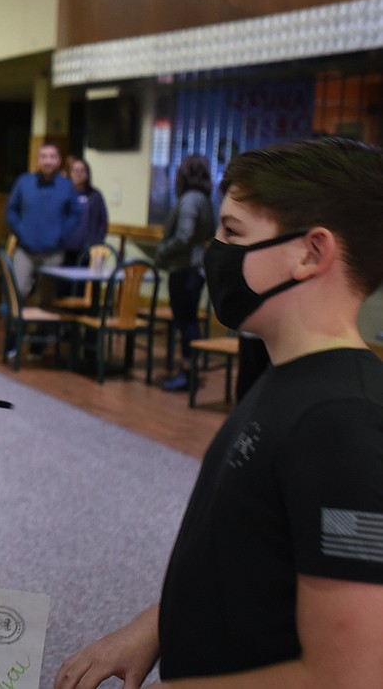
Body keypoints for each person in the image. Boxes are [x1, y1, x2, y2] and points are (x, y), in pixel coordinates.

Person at [55, 137, 383, 689]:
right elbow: (250, 555)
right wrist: (153, 627)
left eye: (232, 233)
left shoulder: (340, 423)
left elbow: (347, 676)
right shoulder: (284, 375)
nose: (215, 250)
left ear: (311, 252)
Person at [153, 154, 215, 392]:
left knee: (186, 323)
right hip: (197, 268)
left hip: (185, 268)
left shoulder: (189, 199)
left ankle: (188, 374)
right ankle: (190, 371)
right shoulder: (205, 200)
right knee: (190, 322)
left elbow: (184, 236)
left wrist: (162, 252)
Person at [6, 141, 79, 300]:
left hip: (53, 253)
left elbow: (75, 213)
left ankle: (43, 326)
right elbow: (11, 210)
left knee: (48, 297)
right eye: (44, 157)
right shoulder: (24, 182)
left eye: (52, 157)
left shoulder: (67, 186)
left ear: (59, 160)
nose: (48, 161)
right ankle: (15, 325)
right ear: (38, 160)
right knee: (17, 292)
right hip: (25, 250)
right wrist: (20, 231)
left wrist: (62, 234)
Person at [60, 156, 109, 264]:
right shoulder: (64, 194)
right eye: (76, 170)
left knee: (91, 279)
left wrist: (98, 242)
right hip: (67, 250)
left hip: (90, 250)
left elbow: (103, 221)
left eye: (82, 171)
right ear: (71, 173)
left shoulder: (96, 196)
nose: (79, 173)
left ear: (87, 174)